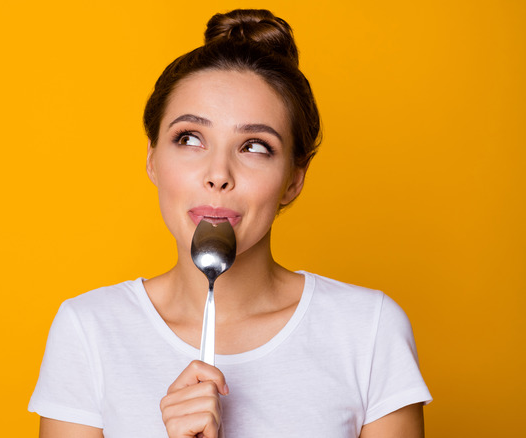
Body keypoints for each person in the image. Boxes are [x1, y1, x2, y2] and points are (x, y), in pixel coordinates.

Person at [28, 9, 431, 438]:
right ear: (152, 159)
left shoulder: (368, 331)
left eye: (255, 146)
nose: (218, 173)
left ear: (294, 179)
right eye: (189, 138)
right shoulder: (89, 330)